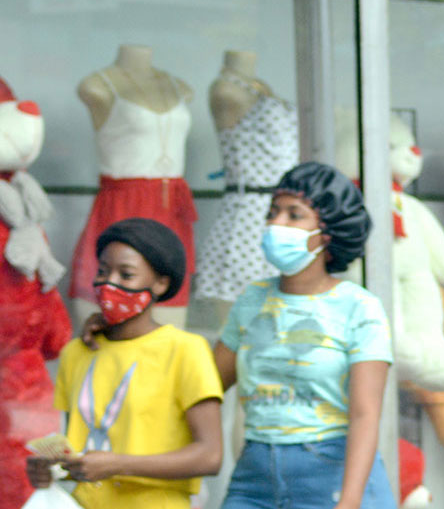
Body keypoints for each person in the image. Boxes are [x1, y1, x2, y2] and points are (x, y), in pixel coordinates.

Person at [213, 162, 397, 509]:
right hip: (255, 476)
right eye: (273, 212)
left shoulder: (359, 307)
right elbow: (207, 385)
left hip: (333, 473)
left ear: (327, 233)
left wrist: (349, 501)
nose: (275, 223)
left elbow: (365, 415)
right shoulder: (252, 299)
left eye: (294, 215)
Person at [26, 218, 224, 508]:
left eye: (126, 274)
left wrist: (119, 464)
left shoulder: (185, 350)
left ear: (161, 283)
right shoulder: (77, 353)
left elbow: (210, 456)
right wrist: (51, 468)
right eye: (103, 271)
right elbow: (81, 449)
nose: (109, 283)